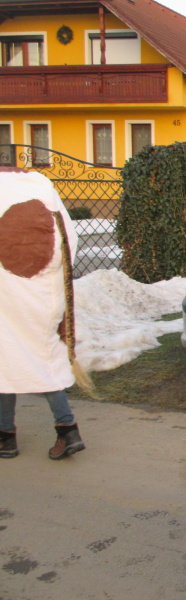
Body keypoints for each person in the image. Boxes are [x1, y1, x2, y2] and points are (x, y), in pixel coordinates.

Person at [0, 168, 87, 461]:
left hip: (7, 294)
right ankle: (61, 430)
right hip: (42, 295)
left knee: (8, 358)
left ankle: (12, 436)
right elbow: (69, 242)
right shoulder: (41, 188)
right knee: (36, 358)